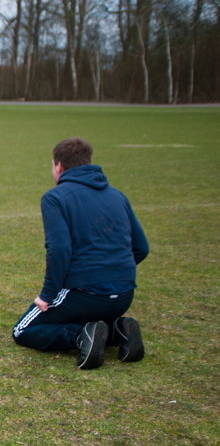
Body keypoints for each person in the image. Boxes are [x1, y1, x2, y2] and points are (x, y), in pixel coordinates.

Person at [12, 137, 149, 370]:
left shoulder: (55, 198)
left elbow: (60, 250)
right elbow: (141, 248)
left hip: (83, 294)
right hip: (124, 295)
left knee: (23, 330)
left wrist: (47, 295)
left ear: (58, 166)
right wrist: (113, 272)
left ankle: (81, 336)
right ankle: (118, 331)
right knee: (93, 316)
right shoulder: (118, 196)